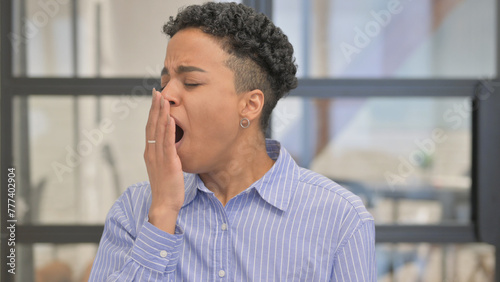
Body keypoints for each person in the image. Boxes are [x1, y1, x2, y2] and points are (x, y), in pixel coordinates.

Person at [89, 2, 375, 281]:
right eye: (165, 83)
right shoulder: (134, 209)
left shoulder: (340, 219)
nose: (165, 96)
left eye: (190, 82)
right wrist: (163, 213)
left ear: (250, 105)